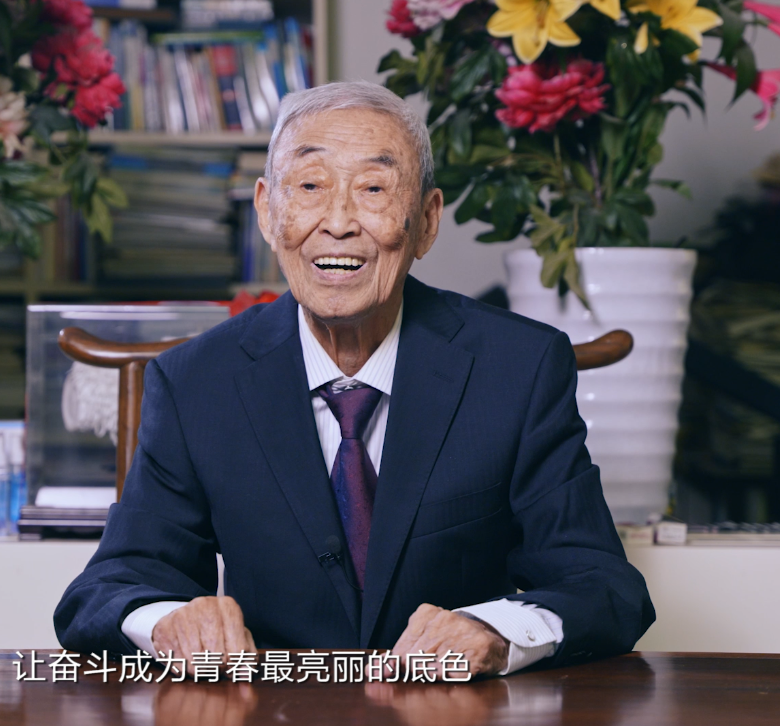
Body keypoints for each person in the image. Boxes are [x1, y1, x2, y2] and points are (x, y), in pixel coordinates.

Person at [55, 81, 654, 676]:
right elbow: (107, 589)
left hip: (451, 713)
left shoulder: (519, 368)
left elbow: (603, 585)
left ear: (426, 221)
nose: (338, 222)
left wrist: (496, 633)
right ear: (267, 212)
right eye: (310, 186)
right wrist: (167, 623)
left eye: (373, 189)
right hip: (272, 707)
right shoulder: (195, 383)